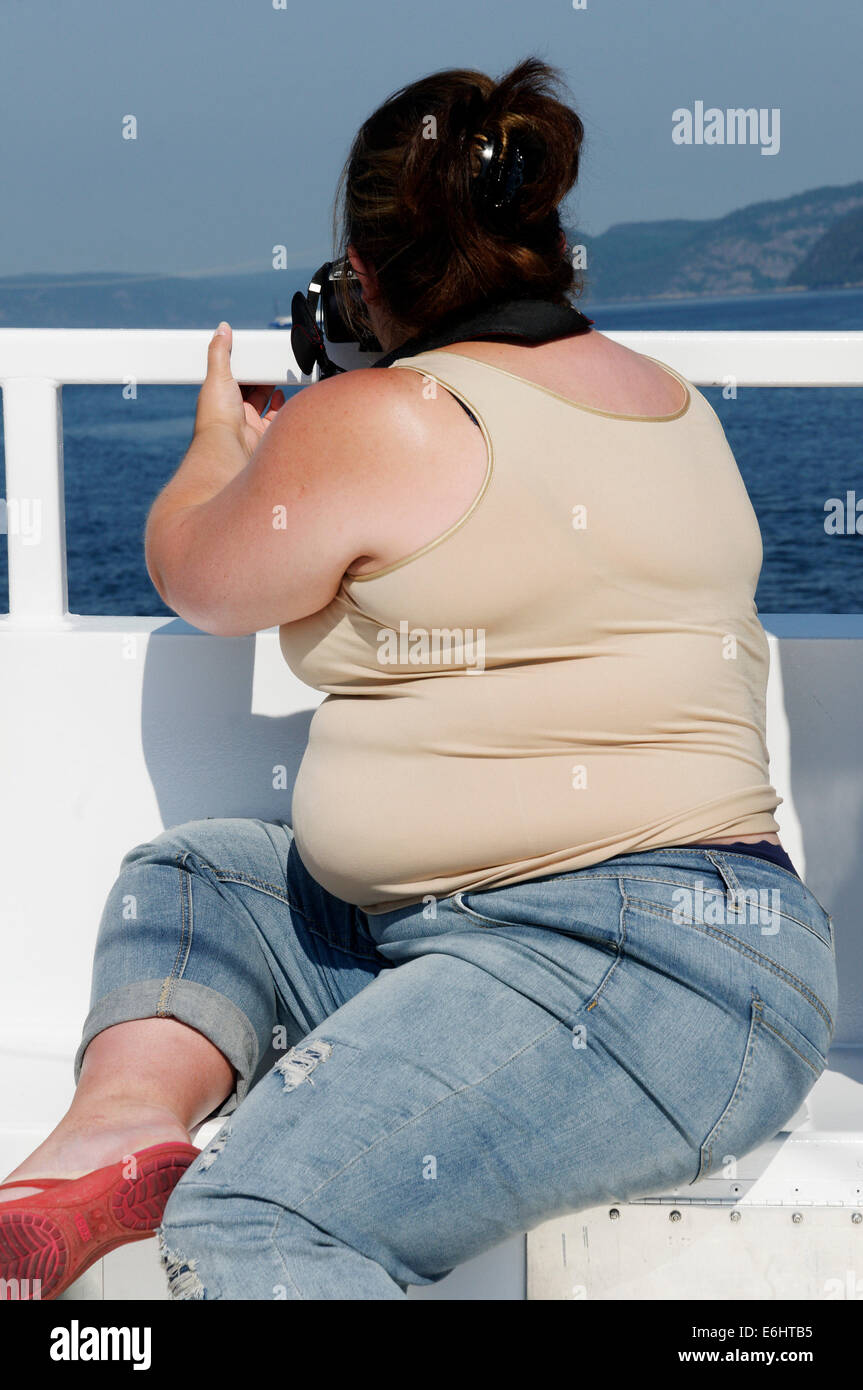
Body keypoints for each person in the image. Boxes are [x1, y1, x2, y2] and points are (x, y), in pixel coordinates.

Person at [0, 56, 837, 1301]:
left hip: (645, 975)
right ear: (548, 242)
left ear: (368, 276)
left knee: (257, 1220)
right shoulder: (670, 401)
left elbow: (195, 573)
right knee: (199, 877)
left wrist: (220, 446)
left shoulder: (382, 414)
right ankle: (122, 1136)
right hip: (531, 939)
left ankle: (186, 1169)